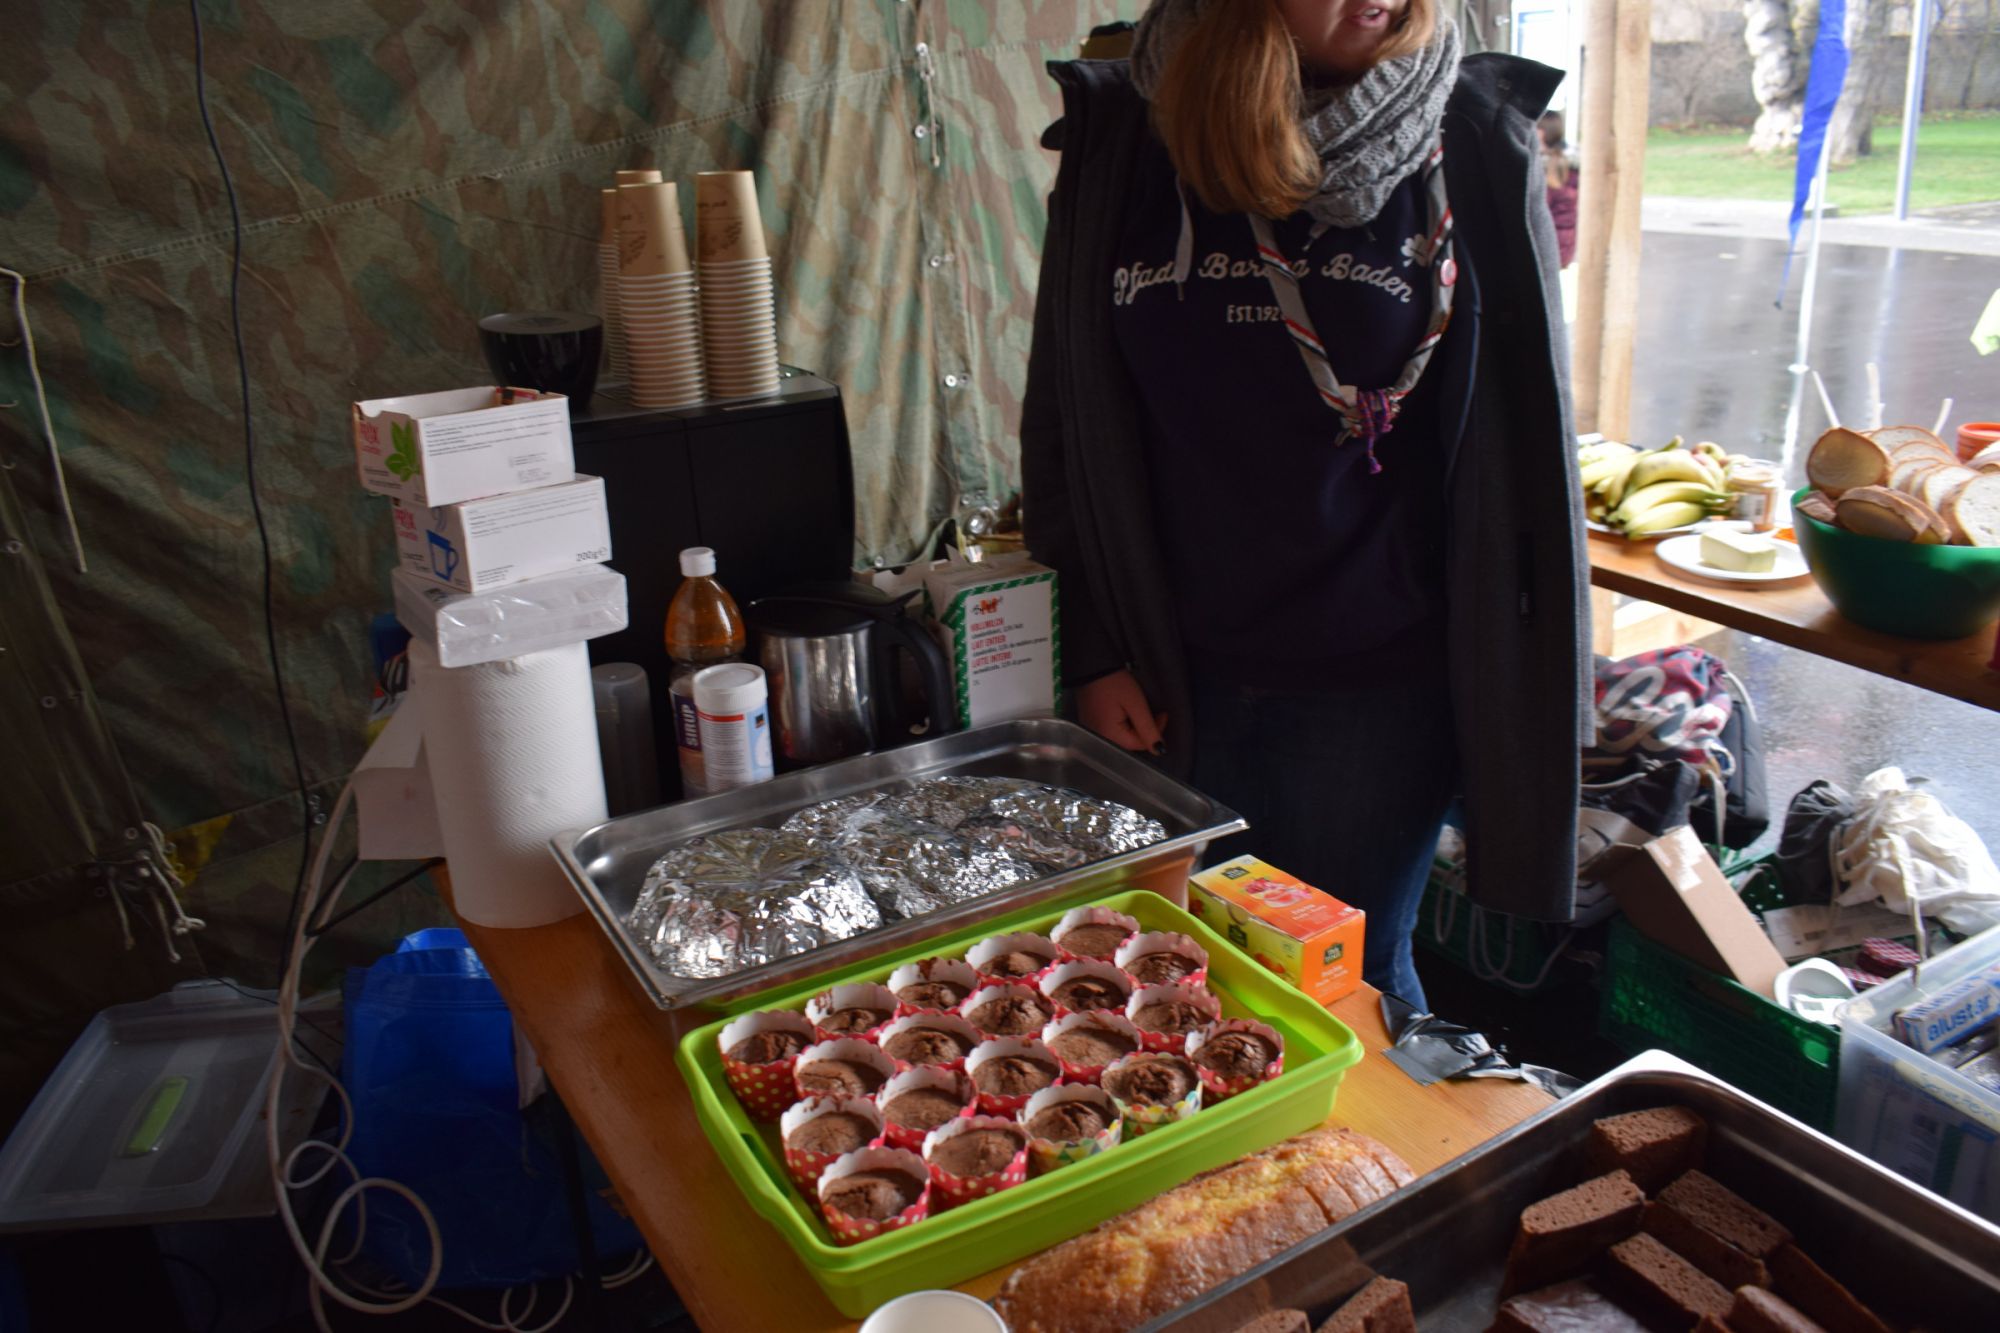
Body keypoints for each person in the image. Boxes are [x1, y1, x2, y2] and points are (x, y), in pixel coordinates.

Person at [1021, 0, 1589, 1006]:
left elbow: (1525, 454)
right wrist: (1095, 647)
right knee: (1176, 978)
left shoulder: (1464, 138)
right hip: (1169, 674)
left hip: (1374, 691)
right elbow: (1063, 413)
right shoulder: (1131, 136)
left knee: (1345, 987)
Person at [1540, 110, 1579, 268]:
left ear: (1541, 132)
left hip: (1551, 245)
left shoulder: (1550, 165)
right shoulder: (1570, 161)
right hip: (1564, 244)